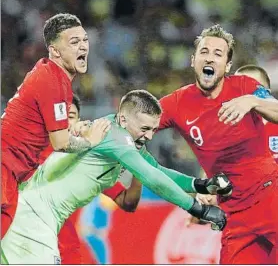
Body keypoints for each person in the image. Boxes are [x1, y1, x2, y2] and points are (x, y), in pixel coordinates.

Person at [1, 90, 232, 264]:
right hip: (32, 220)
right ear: (123, 120)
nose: (151, 136)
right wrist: (197, 209)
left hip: (35, 218)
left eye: (153, 129)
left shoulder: (125, 139)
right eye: (145, 128)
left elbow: (158, 170)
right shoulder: (114, 136)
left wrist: (200, 184)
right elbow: (151, 177)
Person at [158, 24, 278, 264]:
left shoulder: (245, 87)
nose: (210, 57)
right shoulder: (177, 103)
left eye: (218, 53)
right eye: (204, 51)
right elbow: (139, 118)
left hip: (270, 197)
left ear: (227, 66)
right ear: (193, 60)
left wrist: (252, 101)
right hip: (234, 214)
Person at [1, 13, 111, 238]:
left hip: (11, 173)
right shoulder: (52, 81)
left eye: (85, 40)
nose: (83, 47)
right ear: (55, 50)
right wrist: (90, 141)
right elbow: (60, 143)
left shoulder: (52, 77)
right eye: (74, 42)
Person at [38, 94, 142, 264]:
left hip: (66, 253)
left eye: (70, 117)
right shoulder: (27, 154)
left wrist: (140, 170)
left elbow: (128, 202)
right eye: (59, 116)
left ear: (79, 120)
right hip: (25, 246)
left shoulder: (88, 162)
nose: (64, 122)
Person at [235, 64, 278, 163]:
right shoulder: (225, 131)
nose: (245, 95)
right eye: (239, 87)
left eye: (253, 86)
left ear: (267, 93)